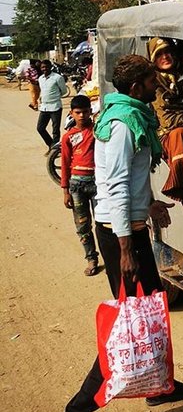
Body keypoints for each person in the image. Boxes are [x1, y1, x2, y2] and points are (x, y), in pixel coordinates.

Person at [52, 55, 183, 412]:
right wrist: (124, 248)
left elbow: (133, 181)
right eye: (153, 81)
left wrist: (149, 204)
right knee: (127, 328)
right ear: (137, 86)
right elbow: (115, 185)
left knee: (152, 313)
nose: (158, 87)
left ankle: (159, 385)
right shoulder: (122, 125)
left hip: (131, 228)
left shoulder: (130, 115)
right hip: (121, 237)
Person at [149, 37, 183, 211]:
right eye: (159, 54)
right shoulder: (154, 82)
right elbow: (166, 117)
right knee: (179, 135)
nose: (165, 57)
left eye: (168, 52)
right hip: (168, 134)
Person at [61, 94, 99, 276]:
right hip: (76, 185)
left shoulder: (98, 131)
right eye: (78, 113)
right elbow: (65, 164)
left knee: (104, 223)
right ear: (72, 114)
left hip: (97, 182)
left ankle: (112, 257)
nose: (82, 116)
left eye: (85, 112)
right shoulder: (68, 137)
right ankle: (91, 258)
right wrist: (65, 191)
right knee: (83, 225)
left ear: (90, 112)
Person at [36, 59, 68, 152]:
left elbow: (64, 91)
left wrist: (55, 97)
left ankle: (54, 151)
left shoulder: (57, 78)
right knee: (40, 128)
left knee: (55, 130)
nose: (44, 69)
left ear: (50, 67)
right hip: (44, 107)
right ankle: (51, 145)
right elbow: (42, 91)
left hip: (55, 106)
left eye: (46, 67)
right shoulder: (40, 78)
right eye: (42, 67)